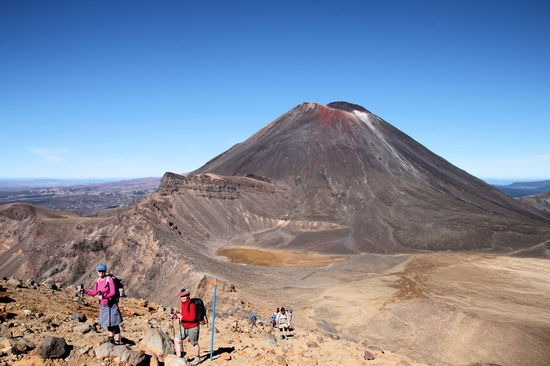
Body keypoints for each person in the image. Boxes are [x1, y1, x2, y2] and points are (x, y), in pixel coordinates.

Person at [81, 264, 123, 344]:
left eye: (102, 271)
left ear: (105, 271)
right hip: (104, 305)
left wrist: (104, 296)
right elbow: (94, 292)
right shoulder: (98, 281)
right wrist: (85, 291)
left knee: (114, 323)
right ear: (97, 271)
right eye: (99, 271)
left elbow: (113, 292)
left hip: (112, 304)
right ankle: (111, 339)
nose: (101, 273)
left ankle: (117, 341)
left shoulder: (109, 279)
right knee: (108, 323)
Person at [173, 289, 201, 365]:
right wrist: (177, 316)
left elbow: (192, 318)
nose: (181, 298)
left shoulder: (191, 305)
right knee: (176, 340)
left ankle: (197, 358)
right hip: (184, 326)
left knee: (194, 343)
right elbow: (184, 314)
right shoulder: (183, 304)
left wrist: (181, 317)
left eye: (183, 296)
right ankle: (179, 357)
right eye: (181, 296)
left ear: (187, 296)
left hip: (193, 327)